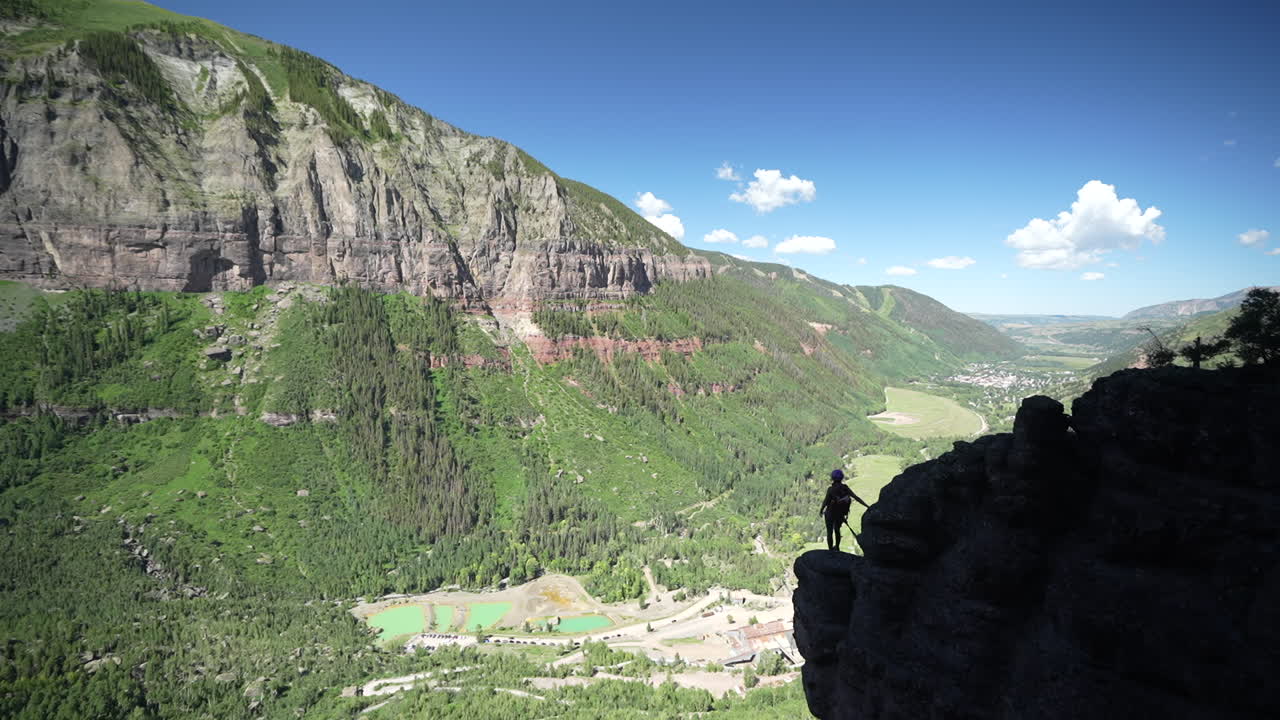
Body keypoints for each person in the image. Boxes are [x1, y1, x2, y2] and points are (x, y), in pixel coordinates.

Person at [819, 469, 869, 552]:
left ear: (832, 478)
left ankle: (830, 550)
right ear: (841, 478)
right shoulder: (845, 488)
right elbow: (856, 498)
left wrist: (821, 510)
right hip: (840, 514)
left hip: (830, 513)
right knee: (837, 530)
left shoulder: (831, 489)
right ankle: (837, 547)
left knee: (829, 532)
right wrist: (867, 506)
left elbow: (826, 501)